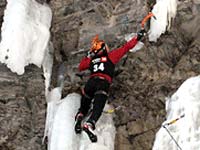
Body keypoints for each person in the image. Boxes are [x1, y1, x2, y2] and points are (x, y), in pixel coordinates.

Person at [74, 30, 145, 142]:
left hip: (90, 83)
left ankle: (80, 116)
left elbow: (81, 66)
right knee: (99, 104)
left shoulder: (92, 60)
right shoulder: (110, 57)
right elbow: (125, 48)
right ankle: (90, 123)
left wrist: (88, 56)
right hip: (102, 82)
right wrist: (137, 37)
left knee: (85, 102)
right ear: (104, 49)